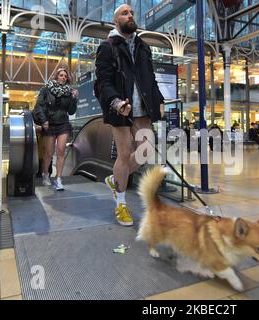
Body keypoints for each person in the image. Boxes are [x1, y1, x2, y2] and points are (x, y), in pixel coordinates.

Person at [95, 3, 164, 227]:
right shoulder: (107, 47)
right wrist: (115, 102)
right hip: (120, 109)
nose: (130, 15)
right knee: (124, 155)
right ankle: (121, 203)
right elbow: (103, 83)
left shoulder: (143, 47)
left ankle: (116, 178)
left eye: (132, 12)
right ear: (116, 21)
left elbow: (150, 79)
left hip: (142, 108)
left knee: (145, 152)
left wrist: (159, 100)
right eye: (125, 13)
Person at [33, 67, 78, 191]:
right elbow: (39, 106)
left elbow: (71, 111)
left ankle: (58, 179)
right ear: (56, 76)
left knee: (61, 151)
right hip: (50, 124)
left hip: (63, 124)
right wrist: (44, 120)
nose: (63, 77)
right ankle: (45, 174)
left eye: (65, 75)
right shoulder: (46, 89)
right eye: (61, 75)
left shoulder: (69, 92)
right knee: (48, 153)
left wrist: (74, 99)